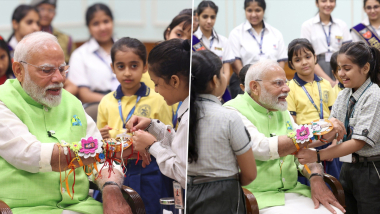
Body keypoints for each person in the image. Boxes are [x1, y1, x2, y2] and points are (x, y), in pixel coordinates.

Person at [0, 31, 134, 214]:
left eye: (62, 69)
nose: (59, 79)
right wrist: (106, 150)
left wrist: (111, 189)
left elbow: (100, 159)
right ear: (18, 71)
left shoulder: (72, 103)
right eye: (47, 70)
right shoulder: (3, 102)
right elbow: (30, 154)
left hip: (82, 208)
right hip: (26, 209)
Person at [224, 60, 346, 214]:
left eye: (286, 83)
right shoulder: (232, 111)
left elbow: (299, 147)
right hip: (257, 198)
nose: (287, 89)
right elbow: (263, 148)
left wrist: (316, 177)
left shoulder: (279, 108)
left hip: (294, 191)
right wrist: (319, 128)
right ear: (255, 87)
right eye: (278, 83)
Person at [296, 41, 380, 214]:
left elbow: (358, 143)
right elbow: (330, 131)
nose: (341, 74)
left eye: (347, 68)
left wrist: (317, 155)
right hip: (347, 166)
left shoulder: (374, 95)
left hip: (371, 170)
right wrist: (299, 144)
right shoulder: (343, 95)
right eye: (339, 68)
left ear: (365, 68)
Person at [96, 37, 174, 214]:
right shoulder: (106, 102)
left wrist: (149, 141)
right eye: (121, 66)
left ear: (145, 67)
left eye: (134, 65)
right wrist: (101, 137)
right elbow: (99, 145)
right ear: (112, 68)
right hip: (116, 170)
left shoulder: (158, 98)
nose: (127, 73)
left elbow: (169, 138)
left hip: (150, 169)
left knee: (151, 209)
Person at [186, 50, 256, 214]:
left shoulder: (182, 115)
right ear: (215, 80)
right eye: (222, 72)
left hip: (188, 193)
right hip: (224, 195)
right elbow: (250, 174)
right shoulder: (229, 117)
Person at [126, 39, 190, 189]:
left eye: (156, 83)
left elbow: (183, 173)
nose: (155, 89)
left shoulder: (189, 118)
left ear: (174, 81)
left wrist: (152, 145)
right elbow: (180, 145)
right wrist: (151, 125)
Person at [68, 3, 154, 106]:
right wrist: (116, 100)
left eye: (106, 21)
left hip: (132, 98)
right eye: (96, 24)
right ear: (89, 27)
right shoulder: (80, 55)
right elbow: (84, 95)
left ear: (112, 22)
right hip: (97, 103)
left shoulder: (128, 50)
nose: (102, 27)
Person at [286, 38, 341, 183]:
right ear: (291, 64)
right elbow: (293, 123)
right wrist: (307, 147)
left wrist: (334, 144)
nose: (304, 62)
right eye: (298, 60)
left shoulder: (326, 84)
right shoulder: (290, 87)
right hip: (307, 145)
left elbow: (335, 116)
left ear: (315, 58)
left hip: (330, 143)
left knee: (337, 186)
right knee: (313, 185)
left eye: (308, 57)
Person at [228, 0, 288, 99]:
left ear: (263, 11)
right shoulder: (236, 33)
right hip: (245, 80)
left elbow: (281, 61)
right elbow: (236, 63)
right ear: (245, 11)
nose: (254, 14)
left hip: (272, 80)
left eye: (258, 10)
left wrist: (275, 80)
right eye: (249, 10)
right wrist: (249, 81)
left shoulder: (275, 33)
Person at [301, 0, 352, 86]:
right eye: (324, 1)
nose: (328, 4)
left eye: (331, 1)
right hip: (316, 65)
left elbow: (347, 53)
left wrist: (339, 78)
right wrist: (330, 82)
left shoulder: (341, 25)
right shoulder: (307, 26)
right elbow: (308, 56)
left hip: (339, 64)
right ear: (317, 3)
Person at [194, 1, 235, 81]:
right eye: (205, 17)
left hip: (220, 88)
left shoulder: (223, 41)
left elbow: (226, 72)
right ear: (197, 16)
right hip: (197, 88)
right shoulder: (192, 40)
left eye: (212, 17)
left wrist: (220, 90)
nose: (209, 21)